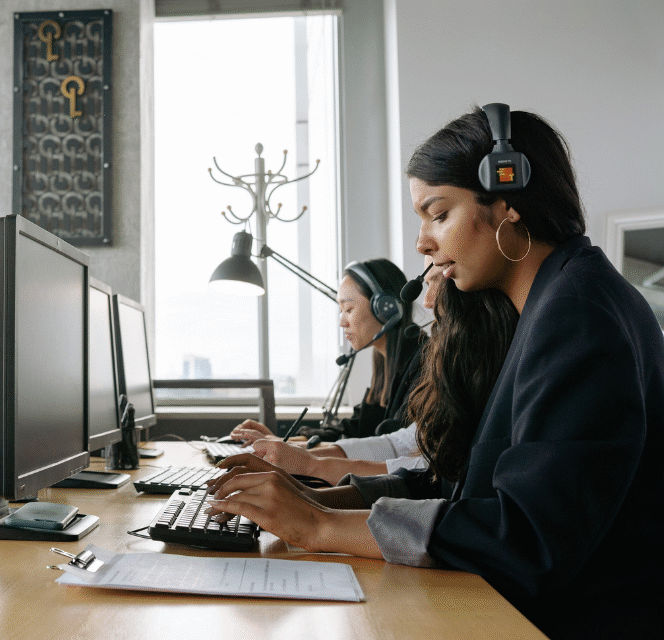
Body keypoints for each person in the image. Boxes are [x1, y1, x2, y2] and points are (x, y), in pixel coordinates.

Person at [207, 106, 663, 639]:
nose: (423, 243)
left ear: (507, 201)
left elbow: (528, 538)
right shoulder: (543, 306)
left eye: (438, 214)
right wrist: (308, 499)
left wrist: (319, 525)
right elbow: (456, 485)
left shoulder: (577, 314)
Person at [235, 257, 445, 484]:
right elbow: (357, 426)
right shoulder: (385, 361)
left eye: (349, 309)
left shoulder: (424, 362)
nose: (342, 322)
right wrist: (286, 443)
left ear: (386, 308)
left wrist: (300, 453)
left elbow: (390, 443)